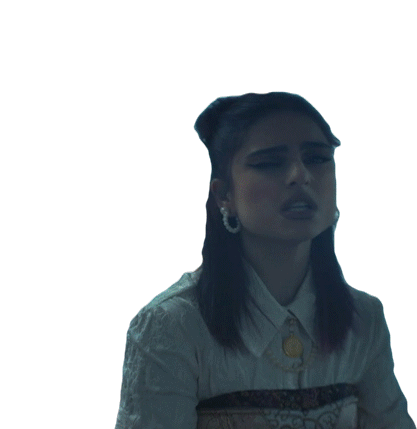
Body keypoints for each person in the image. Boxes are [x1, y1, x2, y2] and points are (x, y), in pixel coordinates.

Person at [114, 92, 415, 428]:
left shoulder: (364, 319)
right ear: (224, 195)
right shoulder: (172, 327)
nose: (300, 175)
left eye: (317, 158)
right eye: (270, 163)